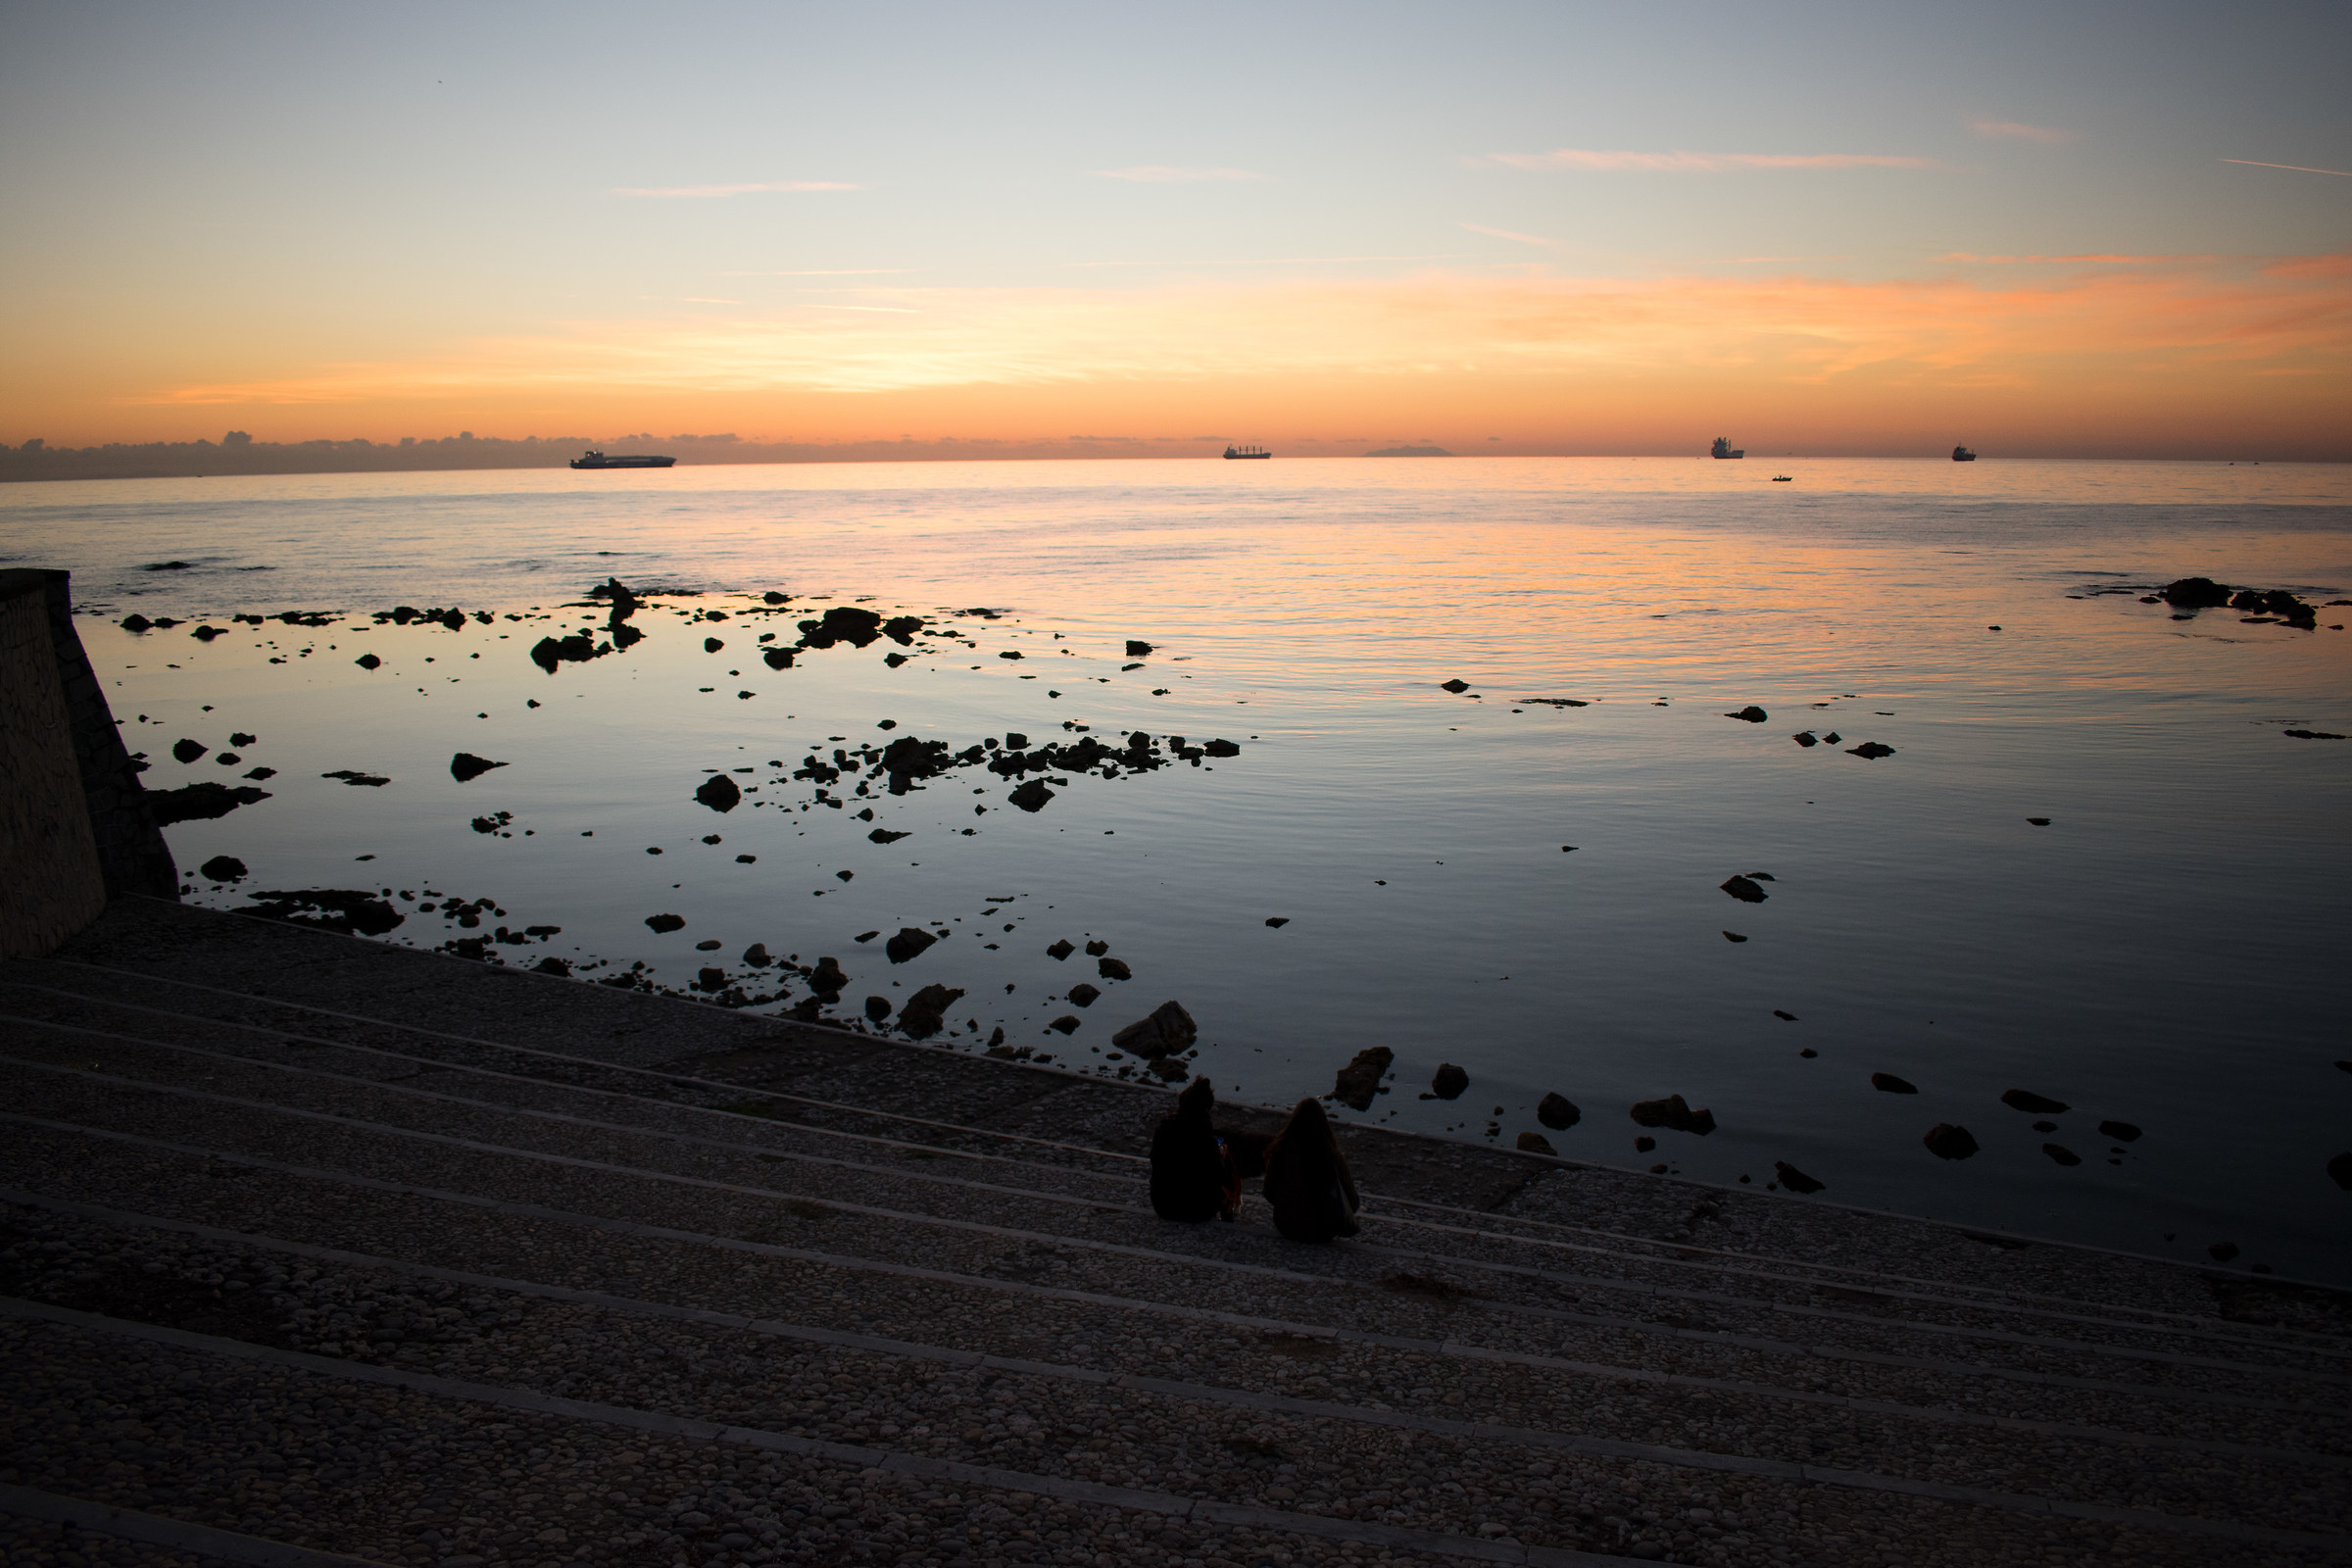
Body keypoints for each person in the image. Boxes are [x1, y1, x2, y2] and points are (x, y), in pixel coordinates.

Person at [1260, 1097, 1360, 1243]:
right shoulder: (1332, 1156)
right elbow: (1353, 1203)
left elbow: (1269, 1193)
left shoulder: (1280, 1151)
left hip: (1287, 1226)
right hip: (1324, 1230)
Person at [1149, 1076, 1241, 1222]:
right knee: (1226, 1162)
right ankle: (1227, 1216)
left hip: (1163, 1205)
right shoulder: (1206, 1138)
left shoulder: (1163, 1129)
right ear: (1206, 1109)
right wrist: (1221, 1156)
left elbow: (1155, 1162)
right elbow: (1218, 1175)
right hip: (1199, 1211)